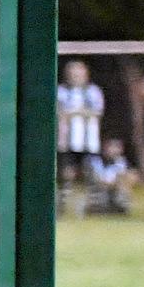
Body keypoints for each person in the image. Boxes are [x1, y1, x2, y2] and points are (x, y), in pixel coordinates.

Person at [59, 59, 105, 208]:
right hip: (67, 140)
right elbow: (59, 112)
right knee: (67, 172)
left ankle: (94, 206)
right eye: (72, 73)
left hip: (89, 141)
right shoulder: (61, 91)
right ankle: (62, 205)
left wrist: (74, 112)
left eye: (79, 73)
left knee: (90, 172)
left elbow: (97, 112)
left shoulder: (93, 91)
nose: (76, 76)